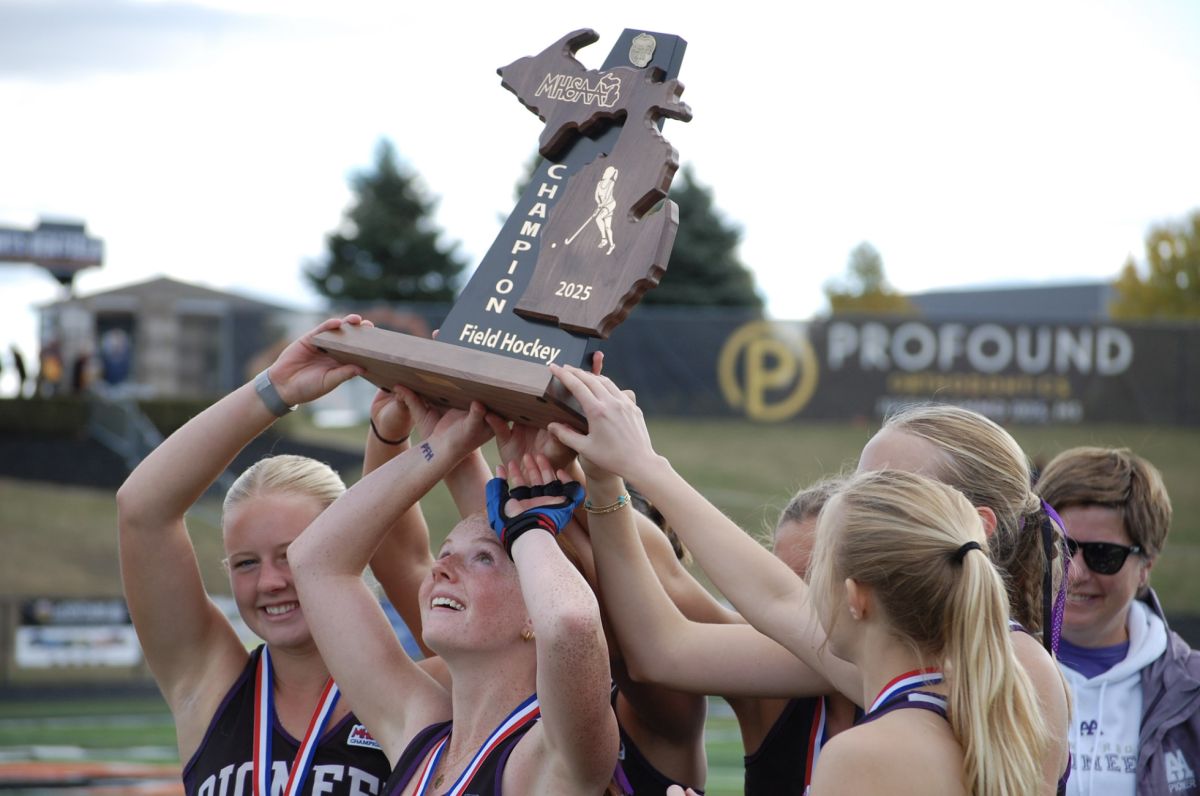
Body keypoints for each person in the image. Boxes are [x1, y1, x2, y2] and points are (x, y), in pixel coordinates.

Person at [546, 365, 1071, 795]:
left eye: (888, 490)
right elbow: (678, 640)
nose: (852, 503)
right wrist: (610, 475)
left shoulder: (1013, 671)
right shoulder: (903, 651)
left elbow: (720, 619)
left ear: (975, 525)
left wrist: (641, 467)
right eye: (859, 485)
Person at [117, 316, 434, 796]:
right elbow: (142, 510)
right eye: (246, 562)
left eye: (292, 556)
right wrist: (276, 390)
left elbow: (406, 559)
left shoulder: (429, 691)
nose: (269, 582)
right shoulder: (210, 684)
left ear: (352, 553)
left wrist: (390, 439)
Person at [288, 393, 619, 796]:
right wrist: (442, 448)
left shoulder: (548, 756)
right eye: (444, 553)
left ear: (535, 611)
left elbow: (572, 622)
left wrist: (529, 529)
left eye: (483, 559)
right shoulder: (421, 732)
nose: (440, 567)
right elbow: (314, 562)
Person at [1036, 447, 1200, 796]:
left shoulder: (1191, 689)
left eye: (1103, 556)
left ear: (1147, 566)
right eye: (1058, 547)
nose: (1074, 573)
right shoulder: (982, 669)